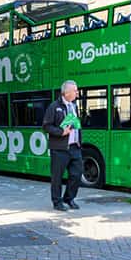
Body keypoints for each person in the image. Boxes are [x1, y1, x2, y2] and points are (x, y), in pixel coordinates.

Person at [42, 80, 83, 211]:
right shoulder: (54, 106)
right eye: (75, 90)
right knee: (57, 177)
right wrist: (61, 132)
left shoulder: (74, 106)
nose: (77, 92)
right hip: (59, 148)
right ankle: (57, 202)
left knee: (77, 174)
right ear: (66, 92)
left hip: (74, 147)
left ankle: (69, 198)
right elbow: (46, 126)